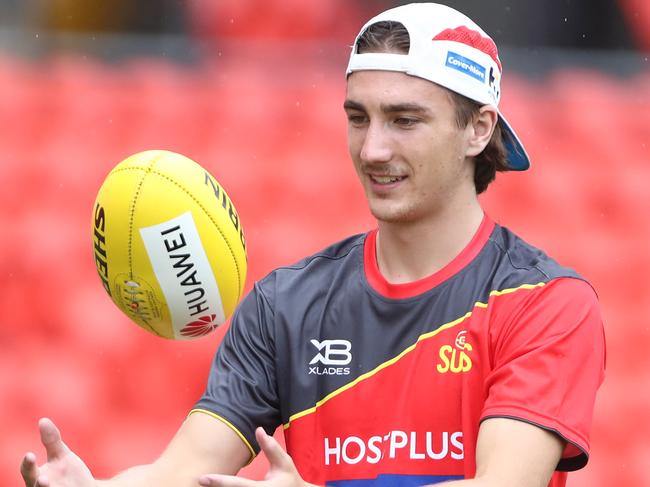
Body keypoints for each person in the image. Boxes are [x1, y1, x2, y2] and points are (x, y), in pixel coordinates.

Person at [21, 3, 606, 487]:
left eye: (404, 120)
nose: (373, 149)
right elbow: (182, 472)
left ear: (479, 128)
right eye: (359, 118)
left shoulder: (545, 301)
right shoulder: (284, 304)